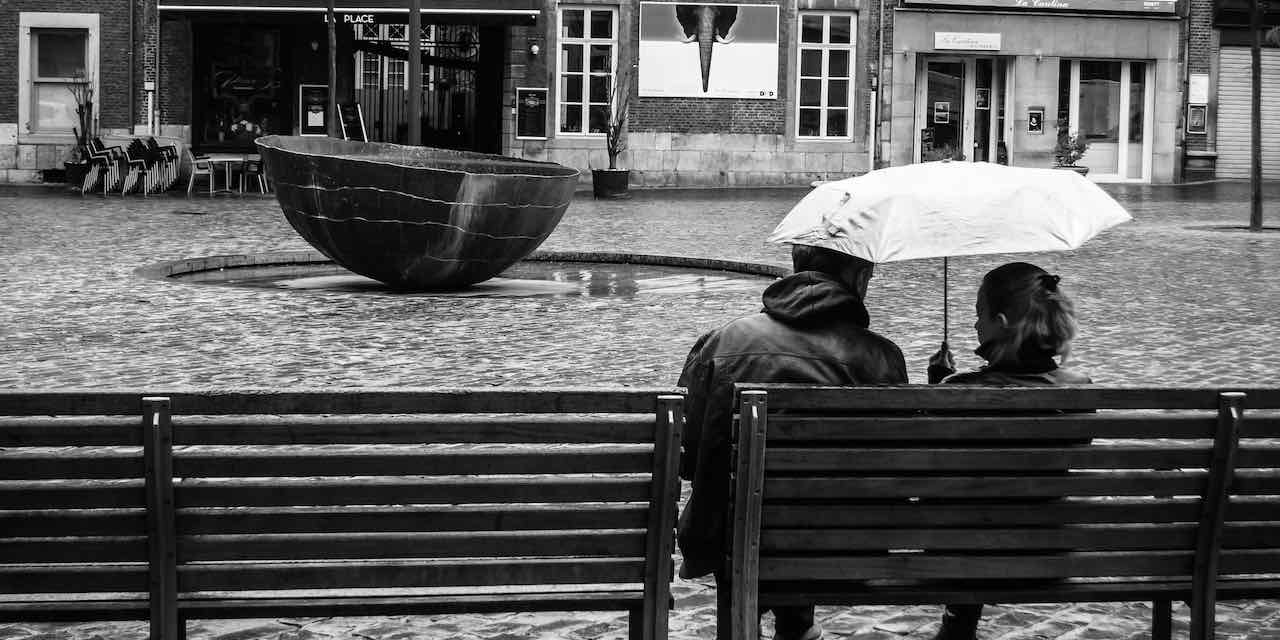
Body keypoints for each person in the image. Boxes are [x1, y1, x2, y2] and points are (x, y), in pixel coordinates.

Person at [678, 243, 908, 640]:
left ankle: (749, 624)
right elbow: (896, 472)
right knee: (816, 508)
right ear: (858, 277)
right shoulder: (882, 357)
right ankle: (797, 625)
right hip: (847, 545)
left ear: (797, 268)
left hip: (733, 539)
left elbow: (689, 456)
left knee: (742, 506)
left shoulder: (722, 343)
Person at [928, 261, 1091, 640]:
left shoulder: (959, 389)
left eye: (978, 316)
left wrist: (936, 388)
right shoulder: (1080, 389)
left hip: (962, 559)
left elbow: (932, 465)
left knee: (968, 510)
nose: (974, 326)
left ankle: (957, 624)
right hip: (1048, 554)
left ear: (1000, 322)